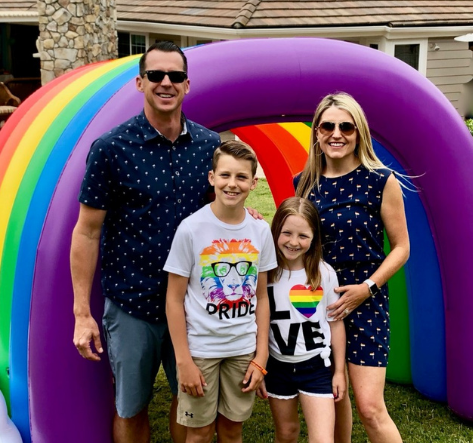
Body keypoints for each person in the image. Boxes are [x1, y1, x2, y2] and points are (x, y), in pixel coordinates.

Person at [71, 41, 220, 443]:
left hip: (192, 303)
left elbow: (222, 212)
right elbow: (86, 231)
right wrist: (82, 313)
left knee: (188, 399)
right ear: (140, 83)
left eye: (175, 76)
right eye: (156, 75)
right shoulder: (111, 149)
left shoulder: (211, 147)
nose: (166, 82)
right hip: (132, 302)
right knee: (130, 405)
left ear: (188, 84)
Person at [295, 93, 410, 443]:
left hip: (367, 301)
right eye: (328, 125)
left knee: (371, 409)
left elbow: (402, 247)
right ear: (316, 132)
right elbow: (294, 239)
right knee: (334, 396)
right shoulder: (304, 184)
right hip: (319, 304)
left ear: (359, 133)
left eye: (347, 126)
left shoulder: (381, 180)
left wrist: (368, 288)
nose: (337, 133)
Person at [164, 140, 277, 443]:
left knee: (232, 429)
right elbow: (173, 300)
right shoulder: (191, 229)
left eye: (241, 177)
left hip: (242, 350)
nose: (232, 184)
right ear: (212, 177)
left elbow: (263, 296)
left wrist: (261, 354)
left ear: (254, 183)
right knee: (198, 432)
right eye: (225, 175)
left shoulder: (260, 231)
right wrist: (183, 360)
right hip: (200, 352)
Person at [257, 196, 346, 443]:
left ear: (314, 237)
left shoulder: (324, 273)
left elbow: (335, 323)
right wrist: (258, 365)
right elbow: (257, 323)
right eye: (286, 233)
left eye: (303, 236)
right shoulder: (264, 272)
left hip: (316, 367)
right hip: (276, 367)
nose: (294, 242)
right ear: (275, 231)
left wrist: (339, 371)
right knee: (286, 433)